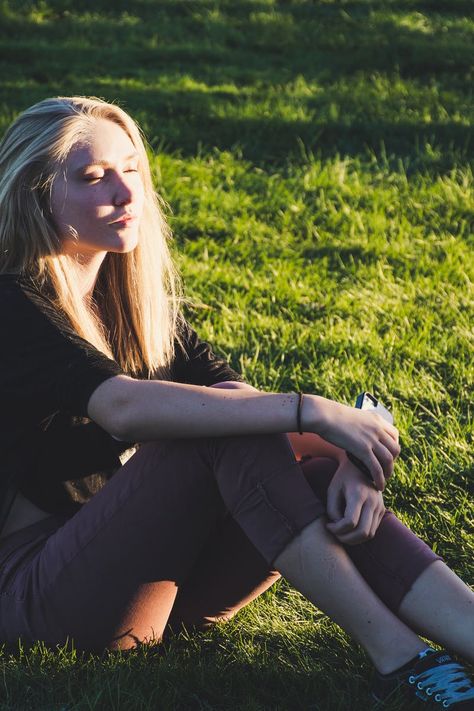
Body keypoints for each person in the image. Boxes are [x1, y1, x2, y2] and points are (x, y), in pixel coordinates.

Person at [0, 96, 472, 710]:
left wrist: (355, 458)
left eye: (132, 168)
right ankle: (401, 661)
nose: (126, 191)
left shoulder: (139, 309)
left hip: (150, 583)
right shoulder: (13, 304)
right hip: (40, 594)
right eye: (94, 178)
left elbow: (243, 404)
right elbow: (121, 407)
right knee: (226, 428)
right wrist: (313, 410)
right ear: (38, 197)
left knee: (297, 457)